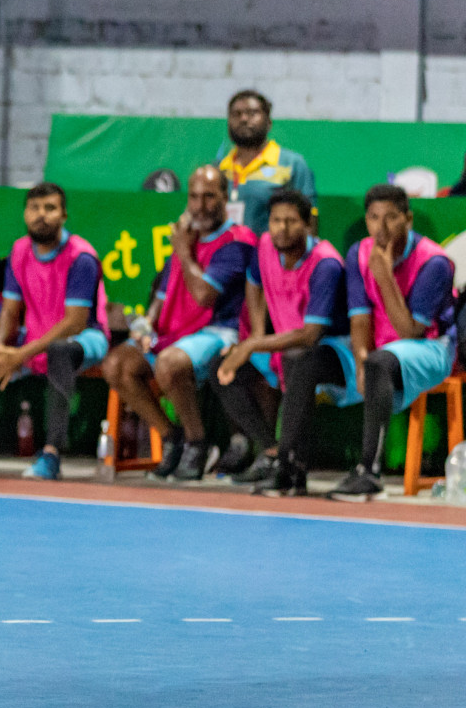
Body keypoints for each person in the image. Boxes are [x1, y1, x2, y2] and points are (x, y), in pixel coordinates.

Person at [261, 185, 456, 500]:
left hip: (431, 348)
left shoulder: (434, 262)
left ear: (408, 220)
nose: (382, 228)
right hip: (377, 344)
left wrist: (384, 276)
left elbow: (410, 331)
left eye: (391, 218)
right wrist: (362, 358)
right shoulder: (359, 253)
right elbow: (360, 319)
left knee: (380, 363)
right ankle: (290, 468)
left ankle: (370, 471)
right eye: (374, 218)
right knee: (304, 358)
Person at [100, 166, 257, 482]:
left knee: (170, 363)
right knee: (117, 365)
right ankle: (172, 437)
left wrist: (184, 252)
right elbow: (162, 297)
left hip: (219, 331)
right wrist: (145, 329)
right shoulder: (186, 240)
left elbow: (202, 296)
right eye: (194, 197)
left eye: (209, 197)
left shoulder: (236, 242)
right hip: (176, 332)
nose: (200, 205)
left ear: (225, 199)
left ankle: (198, 442)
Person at [212, 189, 345, 489]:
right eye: (275, 221)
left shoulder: (326, 264)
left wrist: (252, 344)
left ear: (308, 224)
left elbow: (311, 335)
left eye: (291, 221)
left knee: (298, 361)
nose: (282, 229)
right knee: (221, 368)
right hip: (280, 346)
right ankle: (272, 450)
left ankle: (292, 467)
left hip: (329, 352)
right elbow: (254, 282)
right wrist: (257, 333)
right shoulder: (266, 247)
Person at [0, 184, 110, 481]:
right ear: (25, 214)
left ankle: (51, 453)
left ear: (64, 215)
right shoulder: (20, 250)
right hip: (35, 335)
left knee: (59, 351)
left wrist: (18, 356)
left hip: (87, 337)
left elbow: (74, 323)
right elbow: (10, 310)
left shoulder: (81, 257)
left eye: (50, 208)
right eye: (35, 208)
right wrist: (0, 350)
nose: (42, 216)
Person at [215, 89, 316, 235]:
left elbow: (309, 222)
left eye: (252, 113)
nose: (243, 119)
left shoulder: (292, 165)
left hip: (272, 256)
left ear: (269, 122)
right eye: (236, 114)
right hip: (227, 254)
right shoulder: (217, 169)